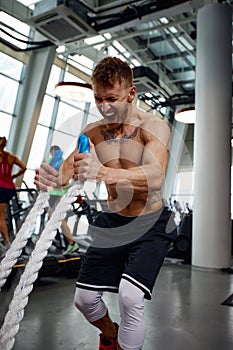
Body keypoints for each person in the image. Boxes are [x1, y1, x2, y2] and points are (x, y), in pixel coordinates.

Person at [35, 56, 177, 350]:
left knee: (130, 295)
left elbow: (155, 175)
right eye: (98, 99)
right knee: (85, 300)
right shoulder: (94, 132)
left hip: (150, 222)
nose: (104, 106)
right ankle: (110, 334)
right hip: (113, 221)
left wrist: (104, 173)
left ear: (131, 93)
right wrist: (50, 178)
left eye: (112, 98)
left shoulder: (155, 126)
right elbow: (65, 176)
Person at [47, 145, 79, 254]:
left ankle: (71, 243)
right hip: (62, 193)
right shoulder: (65, 163)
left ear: (52, 152)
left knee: (57, 218)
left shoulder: (51, 161)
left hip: (54, 193)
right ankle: (57, 239)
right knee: (54, 217)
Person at [0, 136, 26, 249]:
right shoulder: (11, 157)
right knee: (2, 216)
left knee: (1, 217)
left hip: (1, 188)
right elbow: (24, 167)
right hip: (10, 188)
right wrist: (13, 176)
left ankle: (7, 242)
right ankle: (5, 240)